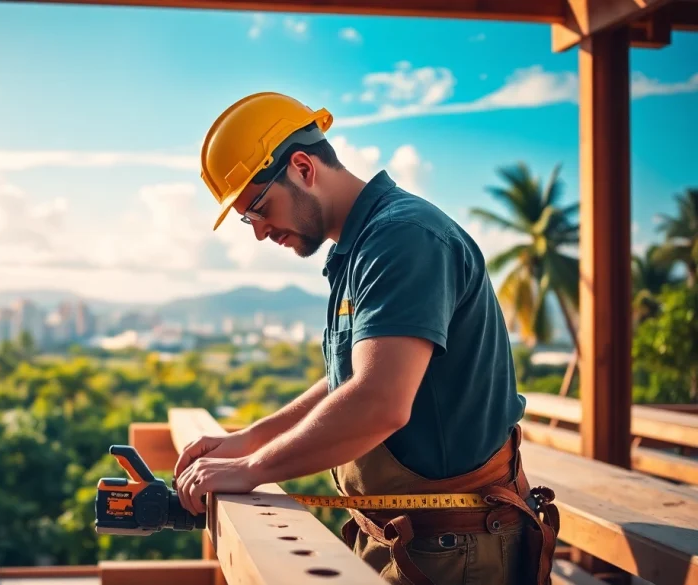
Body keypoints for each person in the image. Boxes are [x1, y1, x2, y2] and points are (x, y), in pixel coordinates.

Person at [172, 92, 559, 585]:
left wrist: (253, 468)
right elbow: (346, 382)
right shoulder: (360, 248)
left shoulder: (403, 238)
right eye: (250, 218)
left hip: (457, 552)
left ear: (302, 167)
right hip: (414, 539)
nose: (260, 233)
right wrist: (246, 441)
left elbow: (379, 401)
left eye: (260, 208)